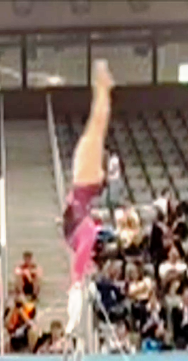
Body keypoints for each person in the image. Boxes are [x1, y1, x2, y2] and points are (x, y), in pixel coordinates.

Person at [61, 60, 115, 337]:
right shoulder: (85, 231)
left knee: (98, 123)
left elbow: (79, 265)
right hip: (84, 181)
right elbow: (79, 263)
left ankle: (102, 87)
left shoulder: (85, 232)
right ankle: (102, 87)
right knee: (98, 122)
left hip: (84, 180)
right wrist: (77, 287)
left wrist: (76, 290)